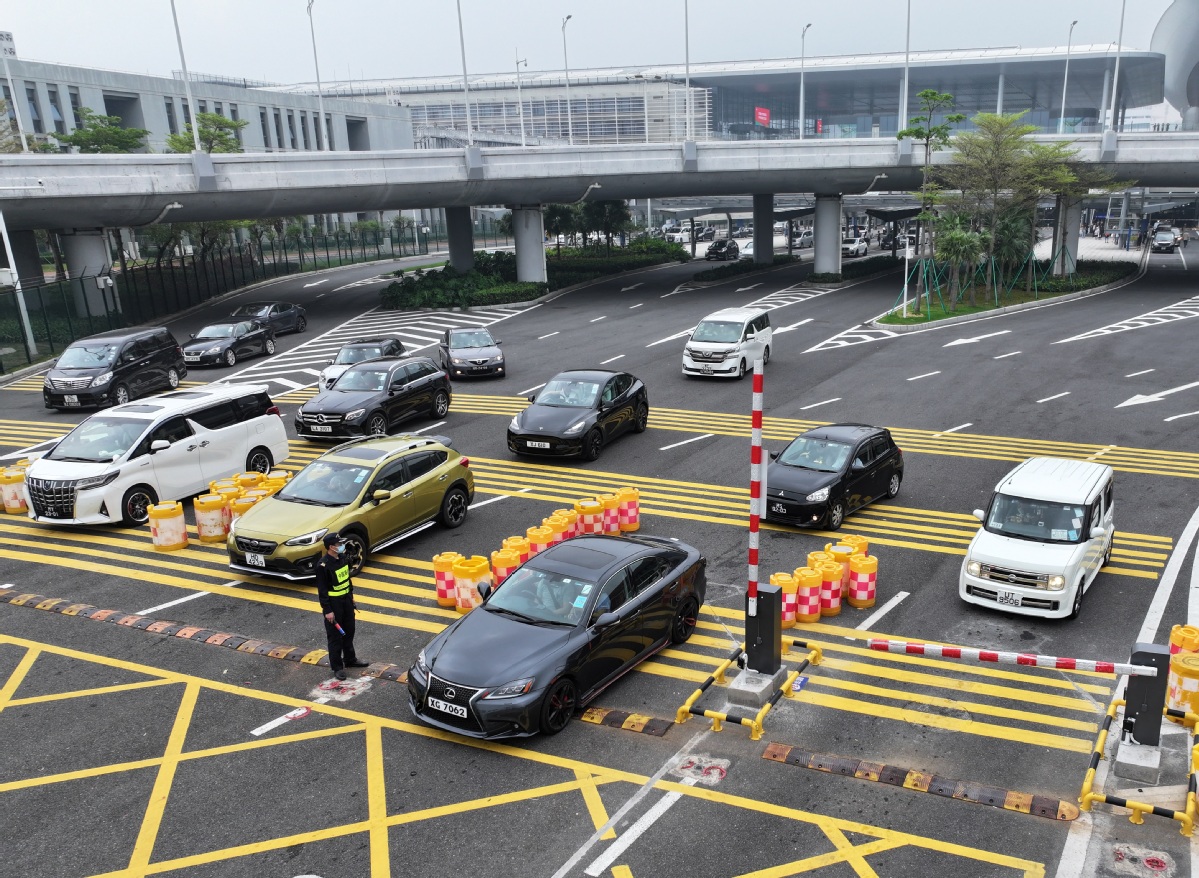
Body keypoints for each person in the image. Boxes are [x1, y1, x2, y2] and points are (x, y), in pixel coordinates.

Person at [314, 531, 368, 680]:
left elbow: (347, 580)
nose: (342, 546)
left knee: (349, 631)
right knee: (335, 637)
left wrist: (351, 597)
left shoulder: (342, 558)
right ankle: (337, 667)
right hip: (334, 604)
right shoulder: (323, 566)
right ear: (331, 547)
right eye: (339, 544)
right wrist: (327, 610)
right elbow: (322, 591)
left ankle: (350, 659)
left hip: (346, 601)